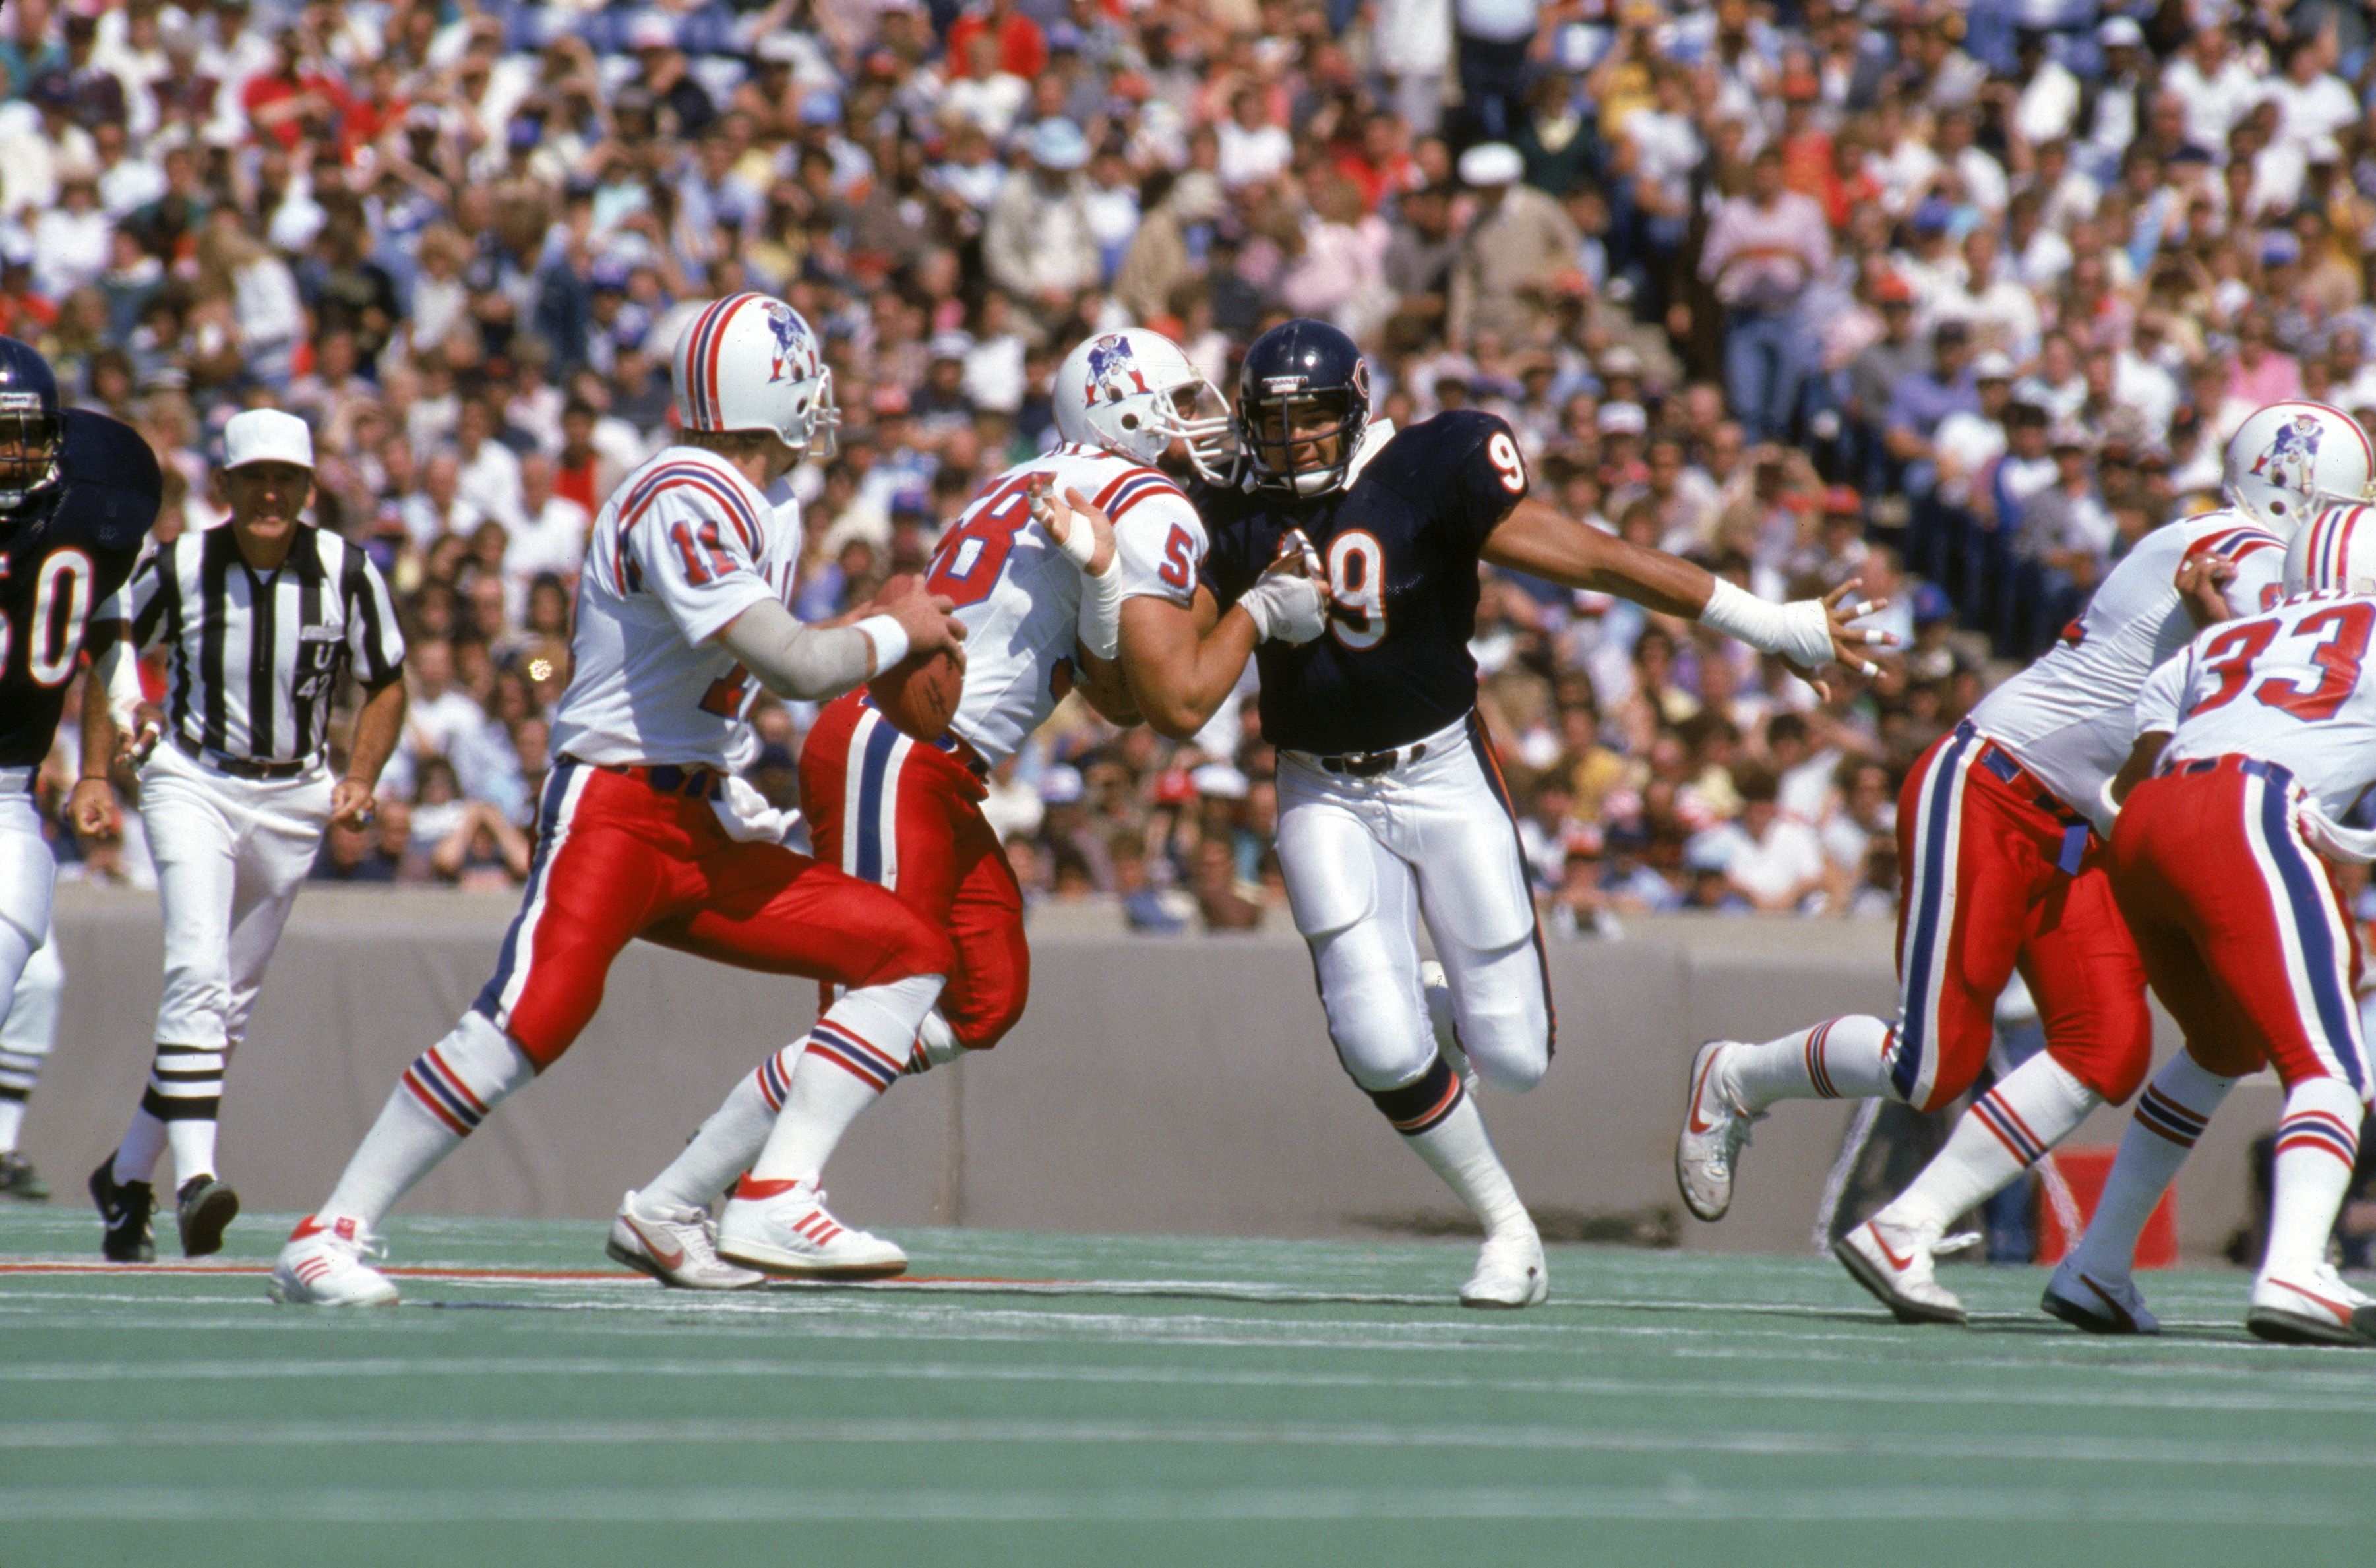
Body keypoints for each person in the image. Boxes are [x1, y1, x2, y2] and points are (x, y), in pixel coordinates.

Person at [1145, 319, 1882, 1308]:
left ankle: (1442, 1009)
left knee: (1516, 1059)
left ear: (1356, 406)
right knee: (1371, 1037)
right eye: (1274, 423)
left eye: (1315, 417)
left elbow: (1591, 558)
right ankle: (1507, 1227)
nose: (1296, 443)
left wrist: (1768, 620)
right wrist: (1234, 612)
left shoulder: (1428, 465)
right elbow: (1176, 695)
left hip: (1443, 769)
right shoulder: (1224, 509)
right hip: (1319, 782)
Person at [269, 295, 966, 1305]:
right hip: (616, 808)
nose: (822, 398)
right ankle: (327, 1232)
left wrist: (768, 739)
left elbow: (736, 673)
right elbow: (799, 662)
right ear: (764, 394)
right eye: (804, 376)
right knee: (527, 1022)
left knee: (904, 948)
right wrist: (896, 629)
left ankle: (692, 1204)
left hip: (700, 815)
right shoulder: (680, 491)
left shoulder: (771, 505)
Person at [1676, 401, 2374, 1325]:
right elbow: (2284, 618)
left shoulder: (2239, 557)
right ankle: (1737, 1073)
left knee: (2107, 1047)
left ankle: (1908, 1226)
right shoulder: (2218, 539)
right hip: (1991, 783)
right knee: (1930, 1062)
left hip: (2087, 825)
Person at [604, 328, 1221, 1277]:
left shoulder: (1031, 477)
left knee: (982, 995)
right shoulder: (1143, 499)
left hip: (929, 759)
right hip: (899, 744)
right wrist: (1252, 615)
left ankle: (683, 1193)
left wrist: (1099, 578)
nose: (1192, 425)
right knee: (878, 984)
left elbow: (1103, 688)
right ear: (1123, 409)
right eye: (1175, 402)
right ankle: (767, 1192)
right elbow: (1156, 703)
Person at [83, 408, 408, 1262]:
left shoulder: (344, 568)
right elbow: (112, 637)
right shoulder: (185, 561)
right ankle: (195, 1180)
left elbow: (386, 679)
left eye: (287, 479)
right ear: (223, 487)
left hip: (295, 793)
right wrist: (98, 757)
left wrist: (362, 776)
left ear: (308, 489)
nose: (271, 493)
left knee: (222, 1013)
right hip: (192, 775)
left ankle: (124, 1177)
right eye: (254, 478)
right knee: (194, 969)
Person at [2060, 512, 2376, 1345]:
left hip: (2148, 822)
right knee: (2333, 1065)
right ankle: (2296, 1268)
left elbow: (2142, 766)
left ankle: (2097, 1260)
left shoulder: (2223, 641)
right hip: (2246, 810)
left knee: (2222, 1049)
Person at [0, 336, 158, 1205]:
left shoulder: (87, 509)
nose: (15, 454)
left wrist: (100, 761)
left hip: (6, 795)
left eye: (26, 433)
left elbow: (106, 623)